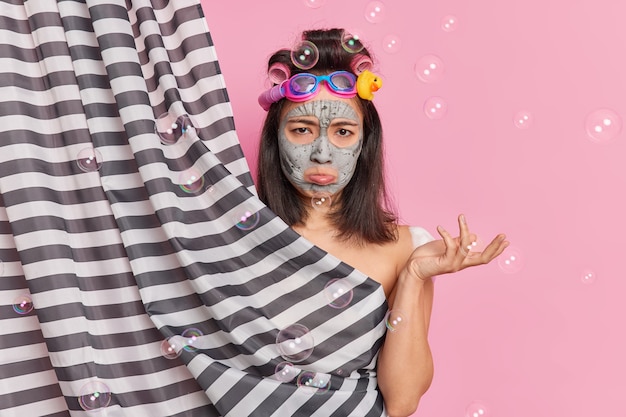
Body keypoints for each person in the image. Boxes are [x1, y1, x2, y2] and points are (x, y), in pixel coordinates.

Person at [255, 28, 509, 417]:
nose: (322, 152)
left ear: (365, 143)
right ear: (276, 138)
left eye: (343, 132)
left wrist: (413, 276)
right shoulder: (238, 239)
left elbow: (403, 401)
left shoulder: (406, 247)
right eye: (302, 129)